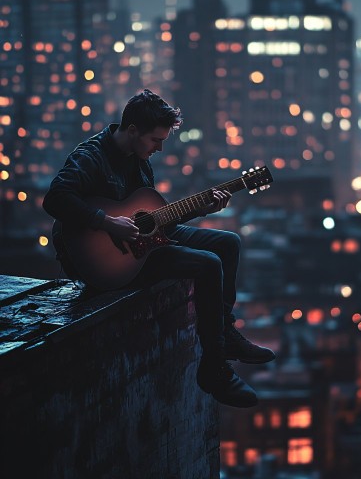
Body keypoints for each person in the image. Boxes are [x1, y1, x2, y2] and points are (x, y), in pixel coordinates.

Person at [43, 89, 275, 408]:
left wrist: (202, 209)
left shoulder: (139, 159)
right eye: (155, 140)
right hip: (107, 262)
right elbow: (55, 199)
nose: (160, 147)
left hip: (141, 243)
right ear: (133, 130)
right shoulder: (91, 155)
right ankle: (214, 369)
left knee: (228, 242)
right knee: (208, 264)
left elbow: (154, 219)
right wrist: (108, 223)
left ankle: (225, 332)